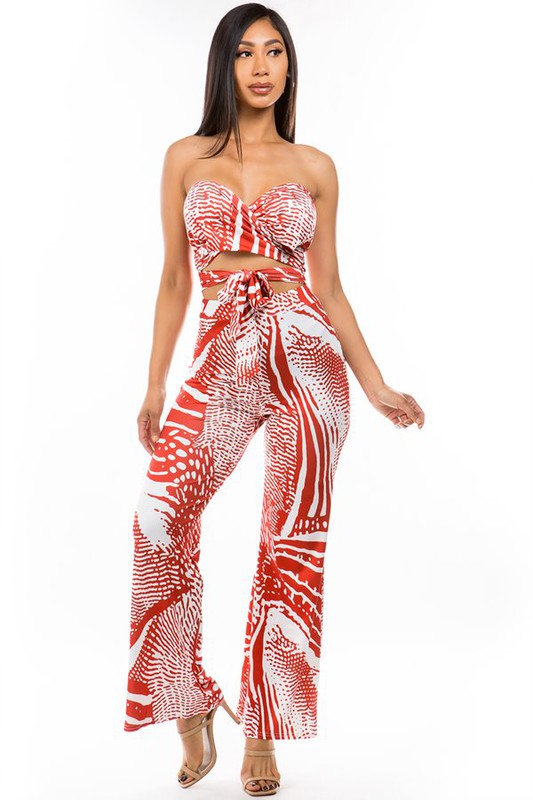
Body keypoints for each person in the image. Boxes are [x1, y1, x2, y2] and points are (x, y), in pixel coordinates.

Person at [123, 3, 425, 796]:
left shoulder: (315, 166)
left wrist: (375, 383)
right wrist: (155, 383)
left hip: (304, 352)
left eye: (275, 52)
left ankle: (263, 729)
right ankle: (187, 698)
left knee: (286, 544)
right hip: (220, 349)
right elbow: (174, 277)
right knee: (157, 518)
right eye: (245, 53)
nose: (261, 66)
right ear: (223, 65)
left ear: (290, 66)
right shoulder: (185, 156)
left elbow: (331, 287)